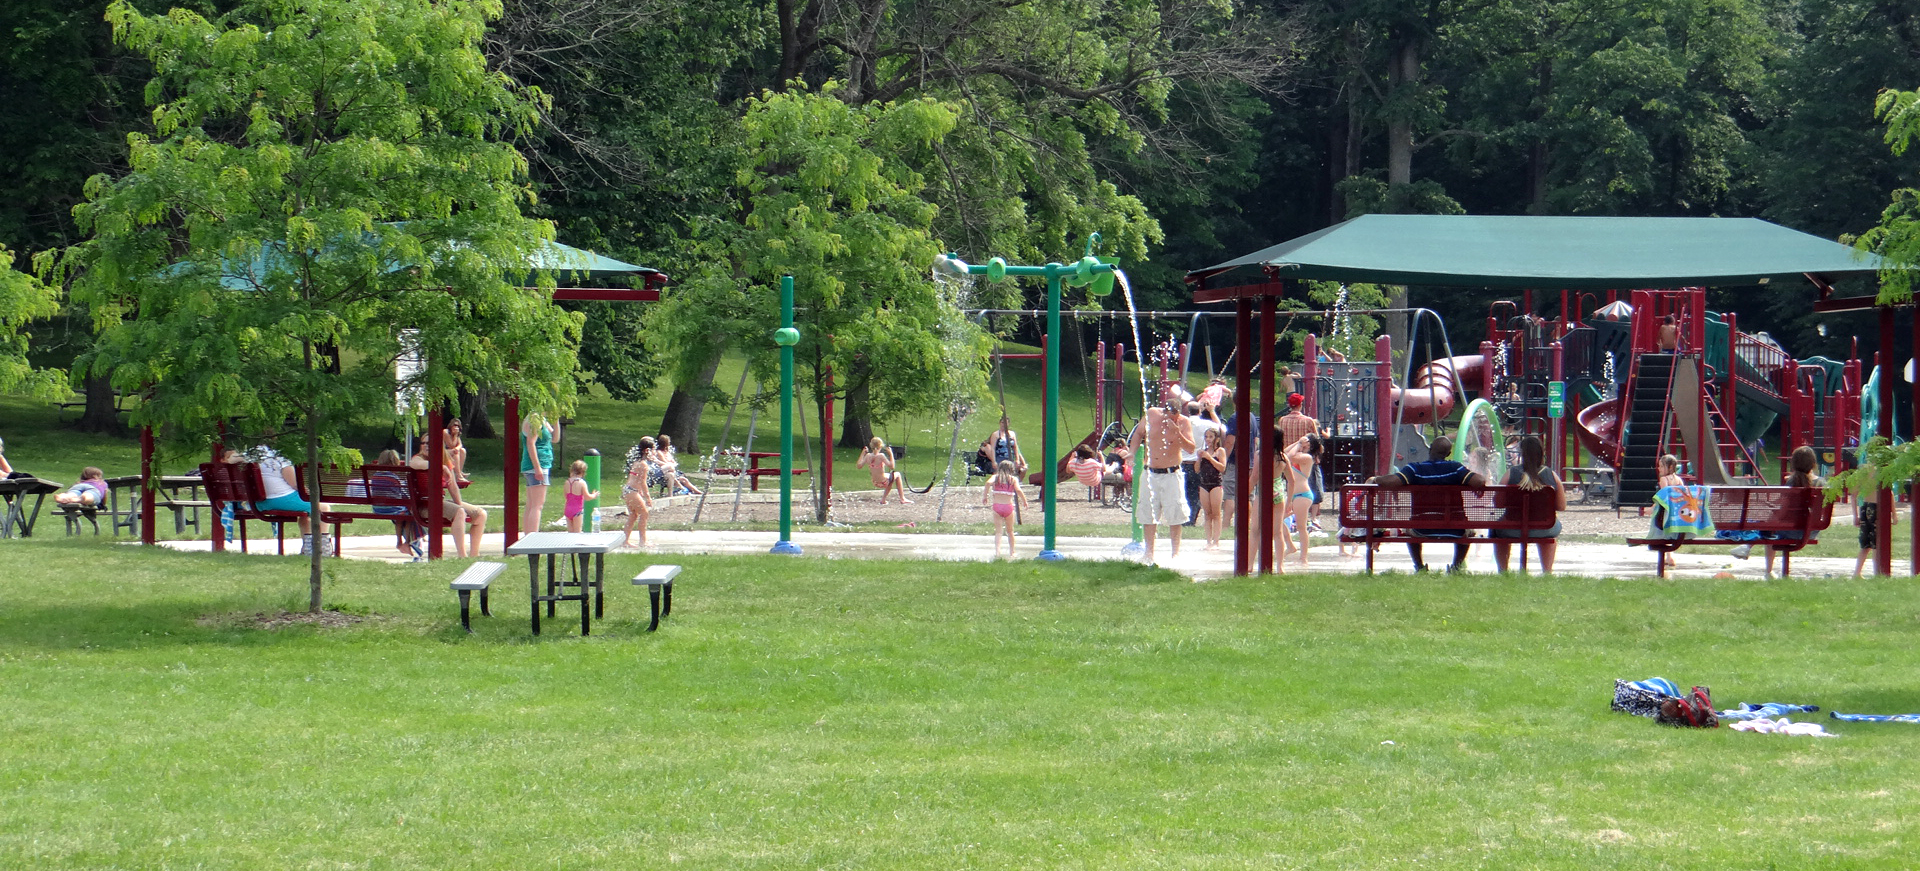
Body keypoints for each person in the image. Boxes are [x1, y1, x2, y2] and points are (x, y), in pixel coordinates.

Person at [1368, 436, 1487, 572]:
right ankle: (1456, 567)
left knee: (1409, 529)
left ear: (1430, 450)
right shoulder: (1455, 468)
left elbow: (1393, 481)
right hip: (1455, 529)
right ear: (1448, 454)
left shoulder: (1414, 469)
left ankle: (1419, 566)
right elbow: (1479, 481)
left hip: (1420, 528)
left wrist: (1374, 479)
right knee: (1468, 531)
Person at [1127, 389, 1196, 564]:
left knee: (1175, 513)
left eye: (1174, 417)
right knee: (1148, 512)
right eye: (1168, 417)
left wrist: (1177, 432)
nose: (1170, 420)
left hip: (1171, 473)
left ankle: (1175, 553)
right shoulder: (1152, 414)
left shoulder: (1184, 422)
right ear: (1164, 411)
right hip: (1151, 472)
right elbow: (1138, 434)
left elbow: (1191, 448)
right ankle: (1149, 552)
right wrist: (1131, 453)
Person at [1490, 435, 1566, 573]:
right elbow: (1561, 506)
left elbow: (1498, 503)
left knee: (1497, 530)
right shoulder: (1552, 476)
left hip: (1512, 528)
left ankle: (1503, 570)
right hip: (1544, 528)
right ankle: (1547, 571)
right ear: (1542, 453)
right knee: (1549, 528)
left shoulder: (1510, 474)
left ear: (1522, 453)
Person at [250, 439, 333, 555]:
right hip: (281, 498)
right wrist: (309, 491)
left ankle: (307, 548)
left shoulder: (250, 455)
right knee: (323, 507)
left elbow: (231, 457)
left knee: (306, 513)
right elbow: (295, 484)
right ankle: (321, 548)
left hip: (260, 502)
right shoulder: (280, 457)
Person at [411, 442, 486, 558]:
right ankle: (462, 556)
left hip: (440, 502)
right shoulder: (418, 459)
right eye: (423, 443)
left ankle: (474, 555)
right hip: (424, 506)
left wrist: (459, 504)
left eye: (430, 443)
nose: (426, 446)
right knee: (459, 512)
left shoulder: (446, 460)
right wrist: (441, 466)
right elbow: (415, 464)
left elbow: (453, 487)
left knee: (481, 514)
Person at [1763, 446, 1822, 579]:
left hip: (1789, 531)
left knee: (1770, 528)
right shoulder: (1821, 482)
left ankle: (1769, 571)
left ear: (1793, 463)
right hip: (1811, 531)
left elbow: (1783, 510)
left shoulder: (1792, 482)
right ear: (1813, 463)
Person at [368, 449, 420, 559]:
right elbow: (401, 494)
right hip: (393, 508)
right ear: (395, 461)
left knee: (400, 516)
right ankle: (407, 542)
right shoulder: (393, 477)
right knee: (409, 516)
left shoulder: (375, 476)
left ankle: (399, 541)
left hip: (378, 509)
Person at [1275, 433, 1316, 567]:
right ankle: (1290, 545)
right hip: (1293, 495)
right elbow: (1285, 454)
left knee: (1301, 527)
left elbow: (1291, 457)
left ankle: (1303, 558)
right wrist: (1297, 442)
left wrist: (1299, 444)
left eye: (1306, 442)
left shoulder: (1307, 457)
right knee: (1277, 520)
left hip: (1302, 495)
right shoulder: (1298, 453)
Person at [1182, 400, 1224, 526]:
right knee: (1195, 493)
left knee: (1183, 492)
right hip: (1197, 461)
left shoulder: (1182, 422)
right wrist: (1212, 411)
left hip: (1182, 461)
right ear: (1199, 411)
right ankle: (1191, 519)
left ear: (1187, 411)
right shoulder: (1205, 424)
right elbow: (1219, 427)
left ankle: (1182, 517)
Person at [982, 459, 1028, 559]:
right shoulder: (1013, 479)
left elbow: (987, 483)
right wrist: (1024, 501)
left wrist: (985, 496)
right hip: (1008, 507)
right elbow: (1018, 490)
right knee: (1010, 531)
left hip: (997, 507)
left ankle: (997, 552)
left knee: (998, 532)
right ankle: (1012, 552)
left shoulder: (995, 477)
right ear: (1011, 469)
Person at [521, 411, 555, 533]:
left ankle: (527, 537)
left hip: (539, 464)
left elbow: (555, 438)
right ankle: (533, 538)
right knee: (537, 505)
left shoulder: (542, 419)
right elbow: (531, 443)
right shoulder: (535, 419)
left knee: (531, 504)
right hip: (538, 464)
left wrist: (556, 419)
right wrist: (537, 468)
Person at [1853, 484, 1892, 578]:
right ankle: (1877, 573)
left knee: (1866, 545)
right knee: (1876, 545)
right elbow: (1889, 494)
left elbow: (1854, 495)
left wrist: (1856, 515)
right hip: (1876, 507)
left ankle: (1857, 573)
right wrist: (1893, 514)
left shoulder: (1861, 476)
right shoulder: (1881, 476)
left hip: (1865, 507)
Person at [1196, 428, 1226, 550]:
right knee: (1207, 513)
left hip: (1216, 484)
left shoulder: (1220, 451)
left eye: (1211, 437)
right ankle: (1208, 540)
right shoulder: (1203, 452)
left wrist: (1209, 458)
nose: (1208, 439)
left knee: (1216, 513)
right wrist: (1199, 458)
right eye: (1206, 437)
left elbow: (1222, 468)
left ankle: (1216, 541)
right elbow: (1196, 469)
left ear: (1216, 439)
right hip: (1204, 484)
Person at [857, 436, 910, 504]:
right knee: (897, 475)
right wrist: (891, 454)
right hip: (884, 482)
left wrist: (863, 453)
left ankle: (883, 500)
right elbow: (892, 466)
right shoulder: (881, 456)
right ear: (880, 446)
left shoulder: (868, 456)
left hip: (875, 482)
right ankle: (902, 498)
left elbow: (859, 466)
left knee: (891, 477)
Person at [619, 448, 653, 549]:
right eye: (653, 449)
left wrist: (640, 492)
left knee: (633, 515)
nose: (654, 452)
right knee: (644, 513)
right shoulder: (643, 464)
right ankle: (643, 542)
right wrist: (648, 497)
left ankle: (625, 541)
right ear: (647, 450)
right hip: (632, 491)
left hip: (628, 490)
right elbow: (643, 482)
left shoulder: (637, 462)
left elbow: (635, 479)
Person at [563, 460, 600, 533]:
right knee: (577, 532)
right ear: (583, 472)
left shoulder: (567, 482)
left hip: (568, 509)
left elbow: (566, 496)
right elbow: (587, 497)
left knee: (570, 533)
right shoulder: (582, 483)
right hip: (577, 510)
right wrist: (594, 495)